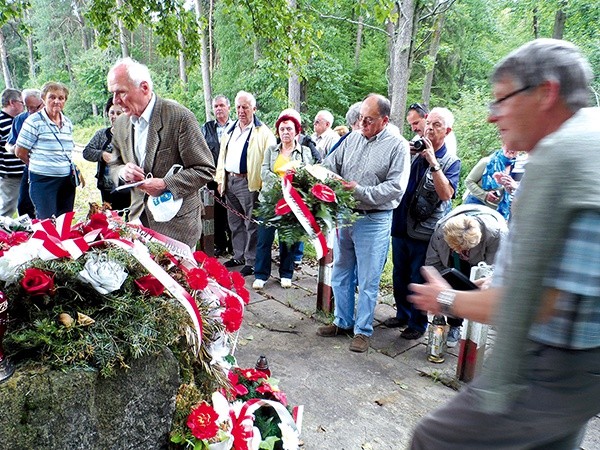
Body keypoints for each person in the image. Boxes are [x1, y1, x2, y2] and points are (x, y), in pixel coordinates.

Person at [408, 39, 600, 449]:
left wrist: (446, 300)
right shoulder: (591, 137)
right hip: (584, 369)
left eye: (502, 100)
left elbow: (535, 303)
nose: (493, 116)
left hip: (553, 365)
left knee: (433, 439)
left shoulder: (559, 157)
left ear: (546, 93)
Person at [316, 93, 410, 353]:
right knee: (341, 272)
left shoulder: (398, 145)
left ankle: (362, 331)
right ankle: (342, 321)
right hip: (345, 215)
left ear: (384, 120)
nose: (362, 124)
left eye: (369, 120)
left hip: (375, 219)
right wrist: (319, 177)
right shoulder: (352, 138)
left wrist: (359, 191)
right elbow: (330, 164)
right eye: (360, 118)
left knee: (369, 279)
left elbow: (395, 188)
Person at [106, 57, 215, 249]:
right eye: (113, 93)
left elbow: (205, 169)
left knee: (177, 280)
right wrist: (123, 171)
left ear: (145, 88)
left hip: (177, 229)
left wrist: (166, 184)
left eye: (121, 92)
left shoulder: (179, 117)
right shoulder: (122, 123)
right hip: (138, 226)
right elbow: (113, 165)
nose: (115, 101)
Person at [386, 107, 461, 340]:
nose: (429, 128)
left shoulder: (450, 160)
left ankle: (417, 325)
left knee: (418, 277)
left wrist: (432, 162)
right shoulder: (411, 151)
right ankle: (402, 313)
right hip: (400, 223)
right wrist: (405, 154)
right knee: (399, 275)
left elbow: (446, 194)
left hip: (424, 231)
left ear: (447, 131)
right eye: (428, 123)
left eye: (437, 125)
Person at [424, 204, 507, 346]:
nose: (461, 254)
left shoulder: (496, 234)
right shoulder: (441, 231)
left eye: (465, 250)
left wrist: (477, 293)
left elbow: (494, 271)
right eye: (456, 249)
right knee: (453, 281)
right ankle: (453, 323)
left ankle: (472, 331)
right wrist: (438, 294)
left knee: (473, 289)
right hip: (455, 257)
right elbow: (432, 264)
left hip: (482, 262)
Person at [215, 91, 276, 276]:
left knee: (251, 223)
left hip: (249, 182)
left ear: (254, 109)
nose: (241, 111)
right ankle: (239, 255)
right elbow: (221, 156)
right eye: (239, 107)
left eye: (245, 107)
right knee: (234, 222)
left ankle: (251, 260)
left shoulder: (263, 133)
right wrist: (220, 179)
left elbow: (270, 161)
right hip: (230, 180)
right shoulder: (230, 129)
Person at [252, 114, 313, 290]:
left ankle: (286, 273)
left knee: (288, 239)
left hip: (293, 202)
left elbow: (308, 175)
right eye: (282, 129)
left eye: (289, 129)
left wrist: (292, 186)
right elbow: (264, 171)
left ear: (296, 132)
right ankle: (261, 275)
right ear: (278, 131)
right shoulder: (271, 150)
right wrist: (282, 183)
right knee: (264, 238)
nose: (285, 132)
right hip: (270, 201)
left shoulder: (305, 152)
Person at [14, 82, 76, 219]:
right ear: (43, 98)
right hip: (43, 182)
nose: (57, 101)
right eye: (52, 97)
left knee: (64, 221)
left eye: (61, 98)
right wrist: (37, 165)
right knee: (47, 223)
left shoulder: (67, 123)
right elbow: (20, 152)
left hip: (66, 181)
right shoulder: (33, 122)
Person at [83, 97, 130, 212]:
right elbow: (86, 152)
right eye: (112, 112)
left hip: (129, 187)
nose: (114, 116)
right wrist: (102, 154)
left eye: (119, 113)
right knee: (111, 219)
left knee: (132, 221)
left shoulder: (133, 133)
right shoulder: (101, 135)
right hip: (107, 188)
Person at [202, 95, 233, 257]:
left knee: (234, 212)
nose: (218, 109)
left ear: (228, 108)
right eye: (215, 106)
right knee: (217, 213)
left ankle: (235, 246)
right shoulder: (206, 128)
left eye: (221, 105)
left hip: (232, 176)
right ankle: (220, 245)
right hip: (212, 177)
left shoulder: (236, 127)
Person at [5, 89, 43, 218]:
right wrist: (14, 149)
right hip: (27, 168)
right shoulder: (20, 119)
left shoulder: (53, 117)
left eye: (34, 107)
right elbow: (9, 144)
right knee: (24, 205)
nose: (31, 111)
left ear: (42, 103)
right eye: (27, 107)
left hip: (48, 168)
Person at [463, 146, 525, 220]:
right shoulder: (487, 162)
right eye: (508, 146)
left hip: (497, 212)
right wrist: (485, 195)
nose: (511, 150)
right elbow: (469, 181)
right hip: (476, 206)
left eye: (515, 147)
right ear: (503, 146)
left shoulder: (517, 167)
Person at [0, 88, 24, 217]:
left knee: (27, 207)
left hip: (25, 173)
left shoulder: (19, 120)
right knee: (8, 208)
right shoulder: (1, 121)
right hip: (10, 176)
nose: (23, 107)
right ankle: (2, 234)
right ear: (12, 102)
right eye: (22, 103)